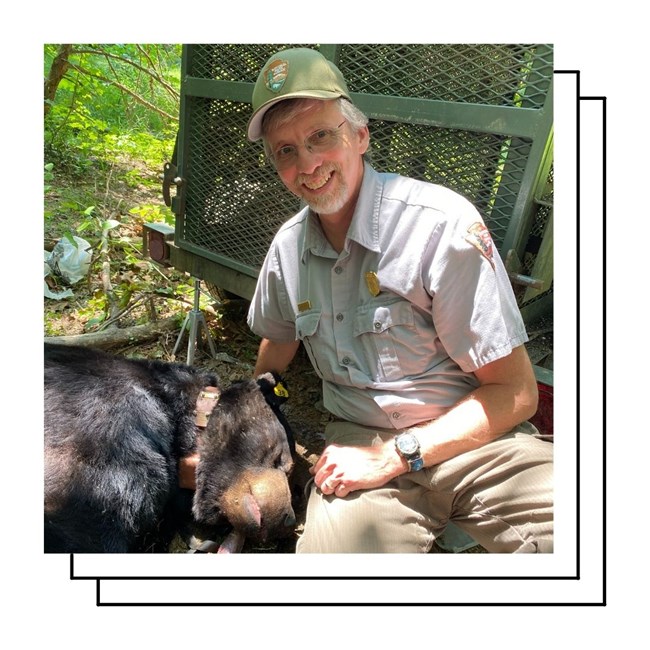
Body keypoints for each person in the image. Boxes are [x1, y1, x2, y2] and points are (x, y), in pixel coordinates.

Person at [245, 47, 553, 553]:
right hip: (360, 452)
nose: (308, 164)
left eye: (321, 135)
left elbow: (517, 393)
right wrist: (248, 424)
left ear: (360, 136)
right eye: (286, 150)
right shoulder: (287, 250)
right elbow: (271, 361)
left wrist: (398, 454)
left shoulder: (439, 225)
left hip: (478, 438)